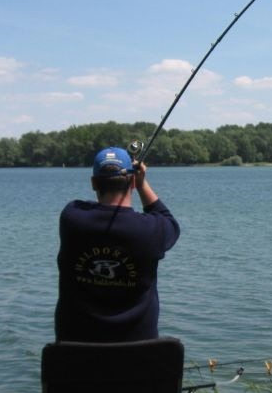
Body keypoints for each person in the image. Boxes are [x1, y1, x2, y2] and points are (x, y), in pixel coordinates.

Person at [55, 146, 180, 342]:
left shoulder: (72, 218)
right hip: (138, 359)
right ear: (131, 182)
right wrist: (142, 184)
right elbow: (169, 221)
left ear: (93, 183)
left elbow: (86, 206)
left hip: (75, 360)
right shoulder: (151, 229)